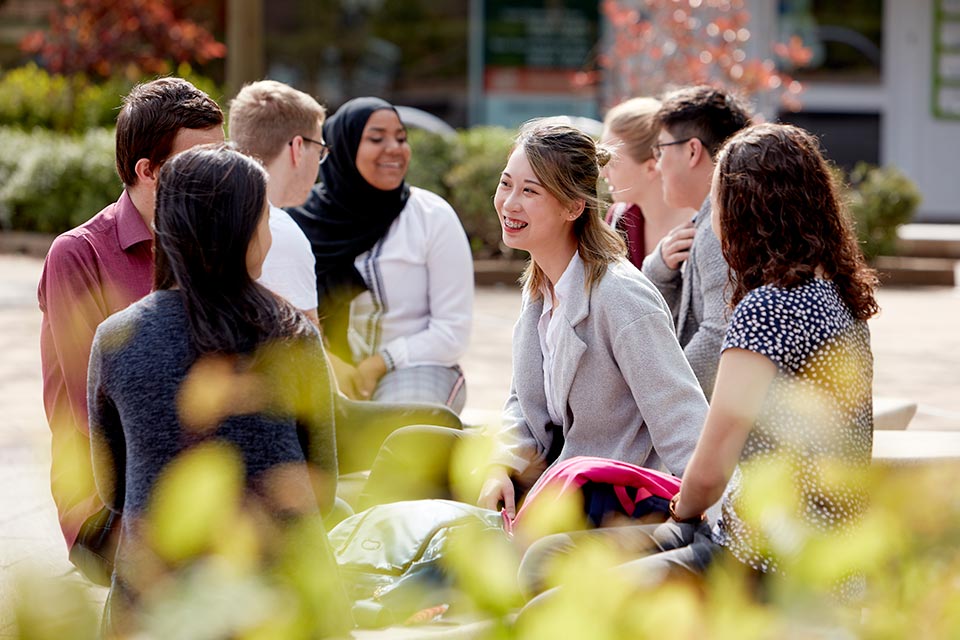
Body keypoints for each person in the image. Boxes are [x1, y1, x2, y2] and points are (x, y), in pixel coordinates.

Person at [519, 123, 879, 600]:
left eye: (717, 201)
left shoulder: (767, 309)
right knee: (553, 556)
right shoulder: (843, 303)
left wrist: (681, 510)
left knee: (556, 589)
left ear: (744, 211)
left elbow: (709, 469)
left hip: (763, 557)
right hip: (810, 550)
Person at [359, 119, 707, 513]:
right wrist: (499, 464)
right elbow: (522, 404)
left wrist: (702, 521)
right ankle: (354, 565)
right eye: (506, 184)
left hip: (601, 494)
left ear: (574, 207)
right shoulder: (541, 284)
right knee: (412, 444)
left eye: (530, 191)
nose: (509, 203)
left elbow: (682, 419)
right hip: (548, 470)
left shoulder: (621, 296)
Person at [88, 145, 349, 634]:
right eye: (265, 220)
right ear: (245, 233)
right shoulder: (291, 333)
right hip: (284, 599)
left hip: (153, 602)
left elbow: (113, 491)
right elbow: (323, 484)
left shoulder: (115, 339)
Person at [36, 78, 224, 582]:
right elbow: (90, 411)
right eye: (202, 163)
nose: (219, 178)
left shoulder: (212, 244)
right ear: (149, 171)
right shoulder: (78, 254)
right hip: (109, 505)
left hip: (204, 482)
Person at [288, 97, 473, 412]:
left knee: (402, 432)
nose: (394, 148)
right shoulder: (298, 218)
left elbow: (452, 331)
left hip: (413, 367)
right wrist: (329, 362)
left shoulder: (431, 216)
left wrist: (379, 363)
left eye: (401, 138)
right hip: (319, 365)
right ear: (342, 147)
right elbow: (281, 314)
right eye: (376, 138)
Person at [641, 85, 751, 399]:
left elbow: (720, 334)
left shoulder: (718, 229)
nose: (657, 164)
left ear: (692, 151)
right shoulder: (714, 220)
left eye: (661, 149)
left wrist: (663, 401)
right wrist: (659, 270)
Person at [228, 80, 328, 321]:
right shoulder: (280, 233)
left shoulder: (208, 214)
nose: (320, 161)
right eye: (320, 150)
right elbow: (306, 350)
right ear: (298, 148)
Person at [599, 97, 696, 267]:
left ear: (652, 167)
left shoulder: (699, 225)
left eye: (612, 163)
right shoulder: (619, 219)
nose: (602, 173)